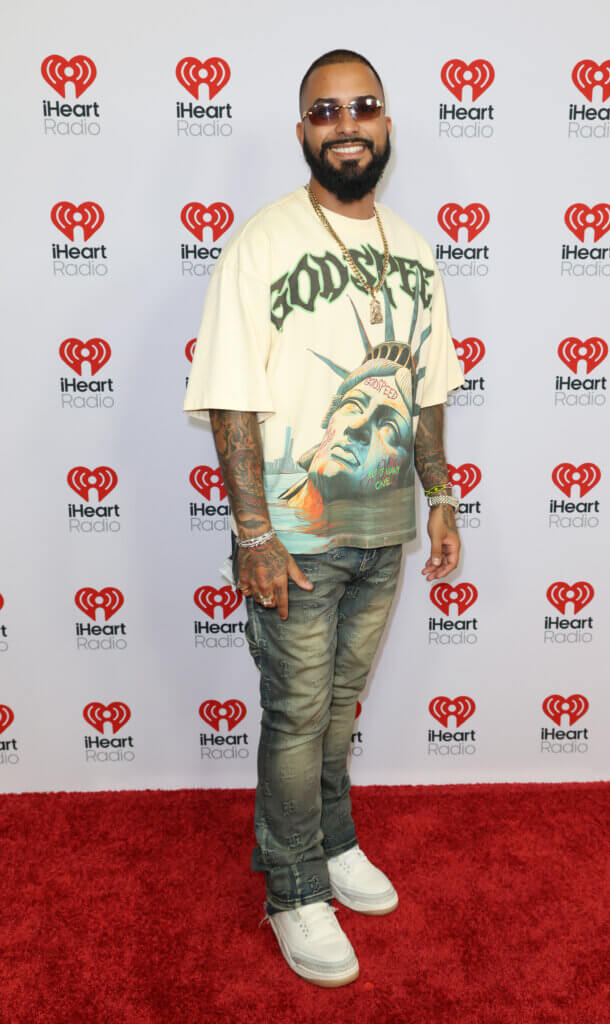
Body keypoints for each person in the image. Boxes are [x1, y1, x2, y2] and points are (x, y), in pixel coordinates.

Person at [183, 49, 465, 987]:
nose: (347, 125)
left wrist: (441, 497)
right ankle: (293, 887)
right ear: (302, 130)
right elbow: (231, 395)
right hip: (294, 535)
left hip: (385, 528)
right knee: (298, 713)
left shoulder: (413, 248)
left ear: (386, 124)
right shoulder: (262, 242)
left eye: (363, 107)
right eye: (326, 110)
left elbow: (428, 388)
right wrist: (254, 535)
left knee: (340, 708)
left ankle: (333, 841)